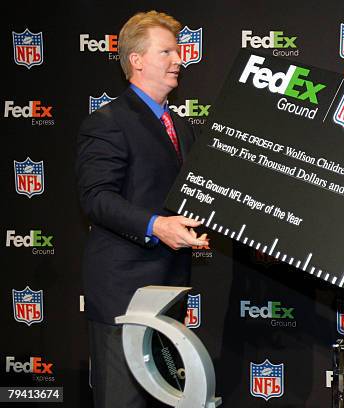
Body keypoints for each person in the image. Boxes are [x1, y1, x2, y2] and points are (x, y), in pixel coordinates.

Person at [76, 10, 207, 407]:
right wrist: (156, 225)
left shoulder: (180, 126)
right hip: (124, 295)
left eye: (178, 51)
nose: (179, 60)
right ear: (136, 60)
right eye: (166, 51)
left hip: (169, 291)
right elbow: (96, 197)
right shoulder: (109, 121)